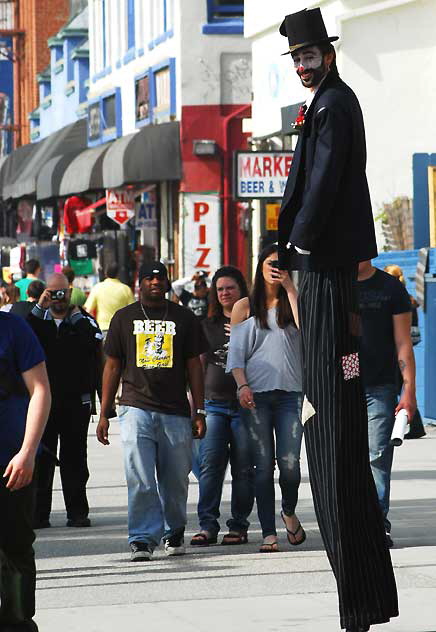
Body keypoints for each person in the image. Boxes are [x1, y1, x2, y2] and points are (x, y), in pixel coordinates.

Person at [277, 8, 398, 631]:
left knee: (333, 415)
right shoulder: (326, 102)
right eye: (296, 57)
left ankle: (362, 599)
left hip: (324, 262)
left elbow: (321, 182)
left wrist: (297, 243)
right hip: (324, 270)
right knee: (335, 396)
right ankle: (365, 599)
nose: (303, 64)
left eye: (310, 54)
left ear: (328, 51)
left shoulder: (332, 105)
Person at [97, 261, 209, 561]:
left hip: (175, 410)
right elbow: (112, 366)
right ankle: (143, 538)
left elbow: (194, 366)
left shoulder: (184, 318)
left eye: (160, 278)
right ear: (139, 283)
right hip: (135, 407)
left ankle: (174, 530)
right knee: (140, 475)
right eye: (149, 278)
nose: (155, 283)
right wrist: (104, 412)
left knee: (175, 479)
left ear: (168, 282)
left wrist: (199, 409)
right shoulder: (124, 318)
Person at [227, 245, 304, 553]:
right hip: (255, 396)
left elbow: (306, 327)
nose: (276, 268)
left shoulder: (294, 301)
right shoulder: (245, 307)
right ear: (259, 267)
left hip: (291, 395)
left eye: (281, 264)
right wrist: (242, 386)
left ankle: (288, 510)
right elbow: (236, 356)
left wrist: (289, 285)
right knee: (262, 465)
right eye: (271, 264)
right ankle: (268, 532)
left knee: (290, 464)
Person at [27, 273, 103, 529]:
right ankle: (39, 514)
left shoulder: (82, 321)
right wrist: (40, 307)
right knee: (42, 459)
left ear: (70, 293)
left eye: (62, 293)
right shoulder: (38, 321)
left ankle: (77, 512)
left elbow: (95, 346)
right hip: (44, 403)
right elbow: (25, 337)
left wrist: (76, 316)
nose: (58, 299)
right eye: (53, 293)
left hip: (75, 403)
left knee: (75, 460)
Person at [191, 266, 255, 547]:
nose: (225, 293)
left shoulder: (255, 321)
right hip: (213, 404)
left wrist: (244, 332)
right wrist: (195, 409)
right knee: (210, 466)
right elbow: (198, 367)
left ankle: (238, 526)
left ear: (241, 290)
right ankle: (207, 525)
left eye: (230, 288)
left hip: (247, 406)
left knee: (244, 468)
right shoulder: (206, 325)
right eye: (220, 289)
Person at [358, 260, 417, 549]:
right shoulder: (334, 284)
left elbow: (403, 342)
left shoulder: (390, 288)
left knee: (377, 457)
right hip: (342, 386)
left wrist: (409, 390)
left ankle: (377, 524)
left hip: (380, 386)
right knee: (345, 457)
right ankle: (350, 523)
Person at [0, 311, 51, 632]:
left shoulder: (13, 328)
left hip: (11, 465)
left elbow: (41, 391)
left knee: (15, 550)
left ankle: (17, 623)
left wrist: (27, 453)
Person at [384, 264, 426, 440]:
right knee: (403, 388)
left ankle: (413, 425)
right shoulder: (409, 299)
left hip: (394, 350)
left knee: (394, 387)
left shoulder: (393, 297)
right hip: (404, 348)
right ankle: (415, 425)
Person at [84, 262, 135, 336]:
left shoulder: (98, 288)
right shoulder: (126, 289)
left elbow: (88, 310)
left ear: (106, 273)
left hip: (103, 328)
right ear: (118, 274)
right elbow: (133, 311)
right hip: (120, 330)